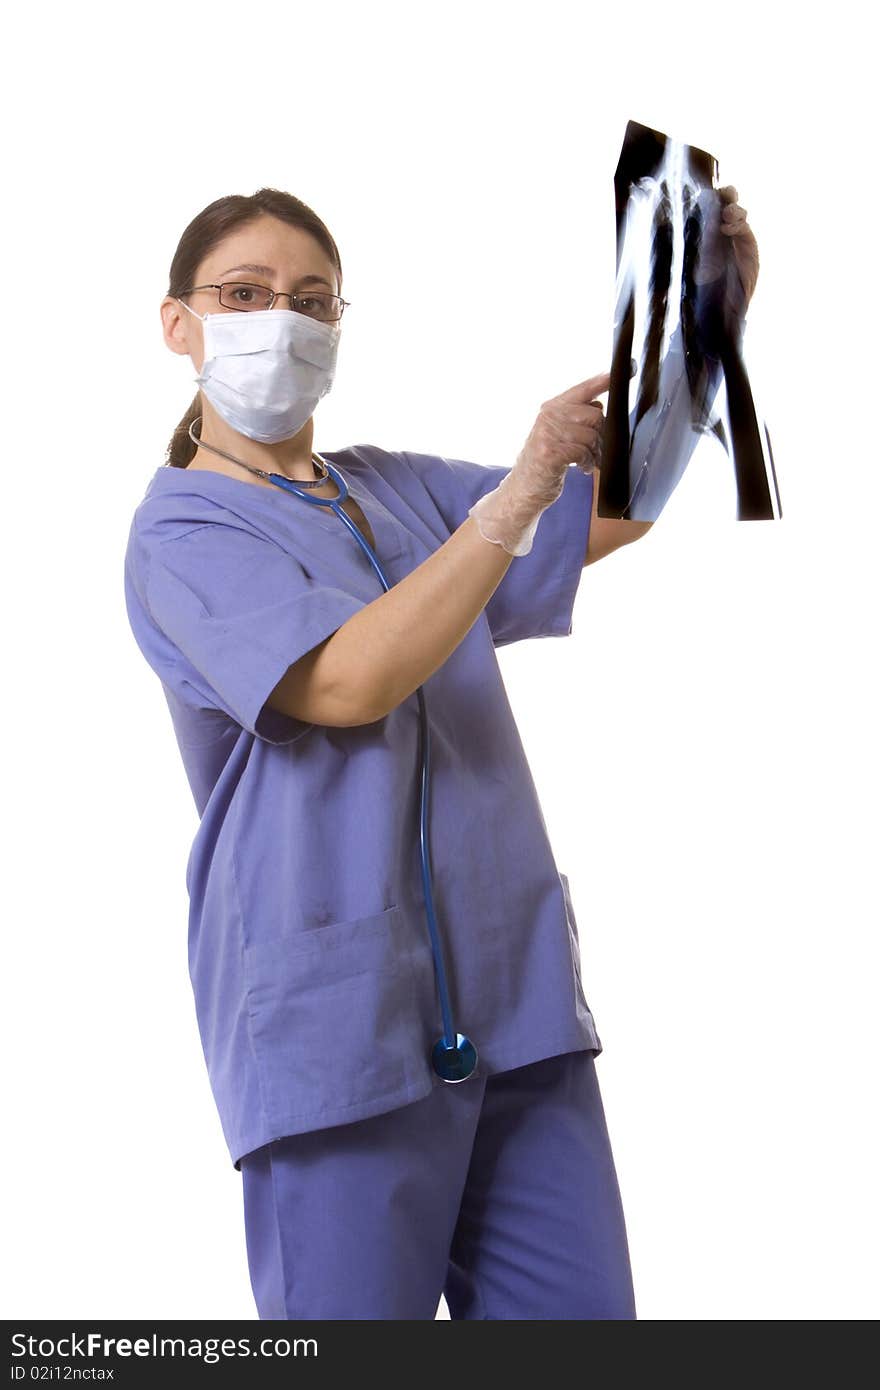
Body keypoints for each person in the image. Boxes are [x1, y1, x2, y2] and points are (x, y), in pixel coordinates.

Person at [123, 184, 758, 1320]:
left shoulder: (393, 490)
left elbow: (617, 505)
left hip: (515, 1018)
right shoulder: (180, 532)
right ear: (179, 324)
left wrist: (704, 323)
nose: (282, 317)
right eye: (244, 294)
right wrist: (512, 498)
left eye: (310, 298)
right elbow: (350, 679)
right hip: (337, 1044)